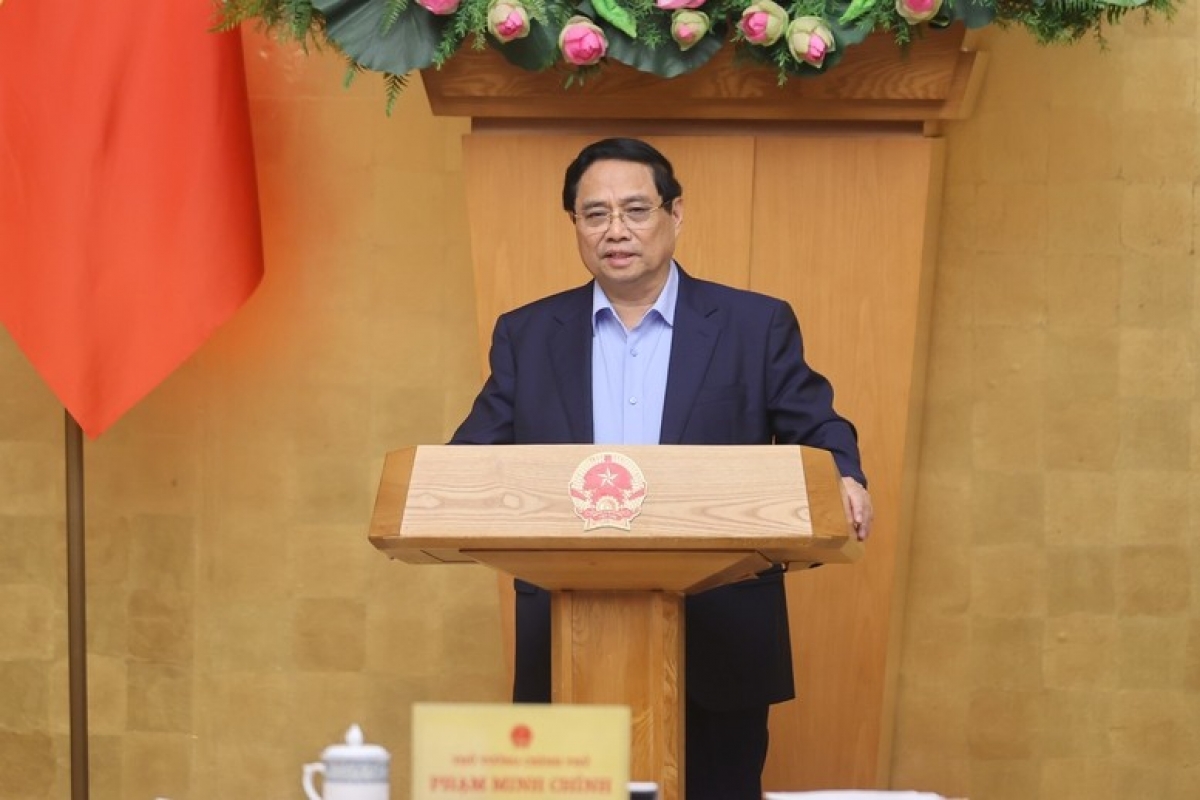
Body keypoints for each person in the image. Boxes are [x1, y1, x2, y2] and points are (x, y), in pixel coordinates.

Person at [451, 137, 873, 800]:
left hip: (721, 636)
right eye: (595, 214)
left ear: (675, 214)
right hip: (566, 641)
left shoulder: (754, 325)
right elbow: (473, 458)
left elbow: (816, 425)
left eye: (636, 210)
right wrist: (444, 490)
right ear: (575, 225)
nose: (615, 230)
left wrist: (843, 474)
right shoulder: (527, 335)